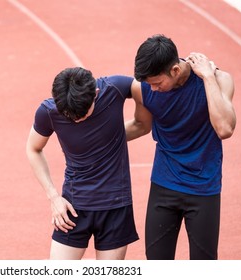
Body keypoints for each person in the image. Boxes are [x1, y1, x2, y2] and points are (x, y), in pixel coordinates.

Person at [125, 34, 236, 259]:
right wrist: (96, 137)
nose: (152, 89)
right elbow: (140, 125)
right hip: (164, 184)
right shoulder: (143, 88)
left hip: (203, 188)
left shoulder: (219, 79)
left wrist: (207, 77)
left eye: (157, 83)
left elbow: (224, 128)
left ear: (175, 70)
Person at [26, 67, 150, 259]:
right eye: (70, 115)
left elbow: (143, 86)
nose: (76, 119)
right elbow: (33, 149)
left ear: (96, 95)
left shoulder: (114, 88)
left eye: (83, 114)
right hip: (73, 206)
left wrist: (136, 124)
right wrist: (53, 197)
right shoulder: (49, 111)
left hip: (115, 206)